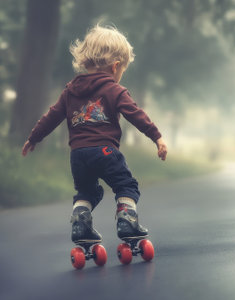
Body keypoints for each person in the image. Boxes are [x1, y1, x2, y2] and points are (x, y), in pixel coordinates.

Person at [22, 24, 167, 245]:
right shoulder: (115, 90)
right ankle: (127, 221)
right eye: (122, 70)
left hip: (78, 155)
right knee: (126, 186)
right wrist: (156, 136)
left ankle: (81, 225)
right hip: (106, 151)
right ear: (115, 66)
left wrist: (34, 138)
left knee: (87, 191)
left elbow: (51, 116)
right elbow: (135, 114)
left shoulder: (70, 91)